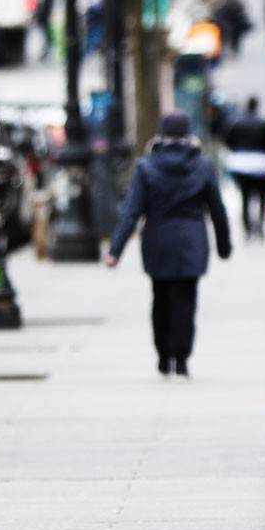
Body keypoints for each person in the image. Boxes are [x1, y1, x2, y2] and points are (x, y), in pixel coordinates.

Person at [104, 111, 232, 378]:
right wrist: (223, 245)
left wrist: (115, 250)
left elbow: (132, 211)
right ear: (188, 134)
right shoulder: (203, 165)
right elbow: (217, 209)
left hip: (157, 239)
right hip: (191, 239)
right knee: (186, 299)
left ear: (161, 134)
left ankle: (163, 356)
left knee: (160, 297)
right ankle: (182, 358)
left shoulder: (146, 166)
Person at [222, 97, 265, 239]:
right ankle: (259, 225)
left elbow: (228, 140)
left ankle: (247, 227)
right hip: (262, 163)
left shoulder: (237, 123)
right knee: (263, 196)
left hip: (242, 163)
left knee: (245, 197)